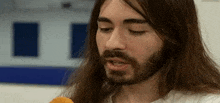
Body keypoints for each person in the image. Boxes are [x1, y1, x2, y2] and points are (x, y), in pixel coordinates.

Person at [59, 0, 220, 103]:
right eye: (105, 28)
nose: (112, 43)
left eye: (136, 30)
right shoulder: (85, 99)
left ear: (174, 37)